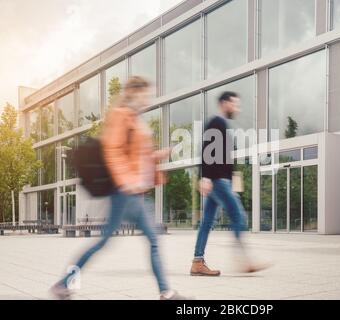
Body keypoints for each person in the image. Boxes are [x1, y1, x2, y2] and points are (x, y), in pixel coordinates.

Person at [51, 76, 186, 300]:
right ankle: (63, 283)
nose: (147, 99)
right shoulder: (121, 115)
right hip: (125, 192)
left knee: (148, 239)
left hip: (135, 193)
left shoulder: (134, 118)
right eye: (145, 94)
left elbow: (136, 157)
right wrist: (126, 181)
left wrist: (157, 156)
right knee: (107, 241)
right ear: (133, 92)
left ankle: (165, 291)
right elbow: (112, 151)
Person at [190, 91, 268, 277]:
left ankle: (197, 262)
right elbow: (207, 150)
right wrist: (206, 177)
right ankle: (244, 260)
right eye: (234, 104)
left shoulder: (221, 124)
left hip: (220, 180)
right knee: (239, 217)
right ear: (224, 103)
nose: (237, 108)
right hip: (217, 181)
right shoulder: (217, 122)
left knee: (207, 222)